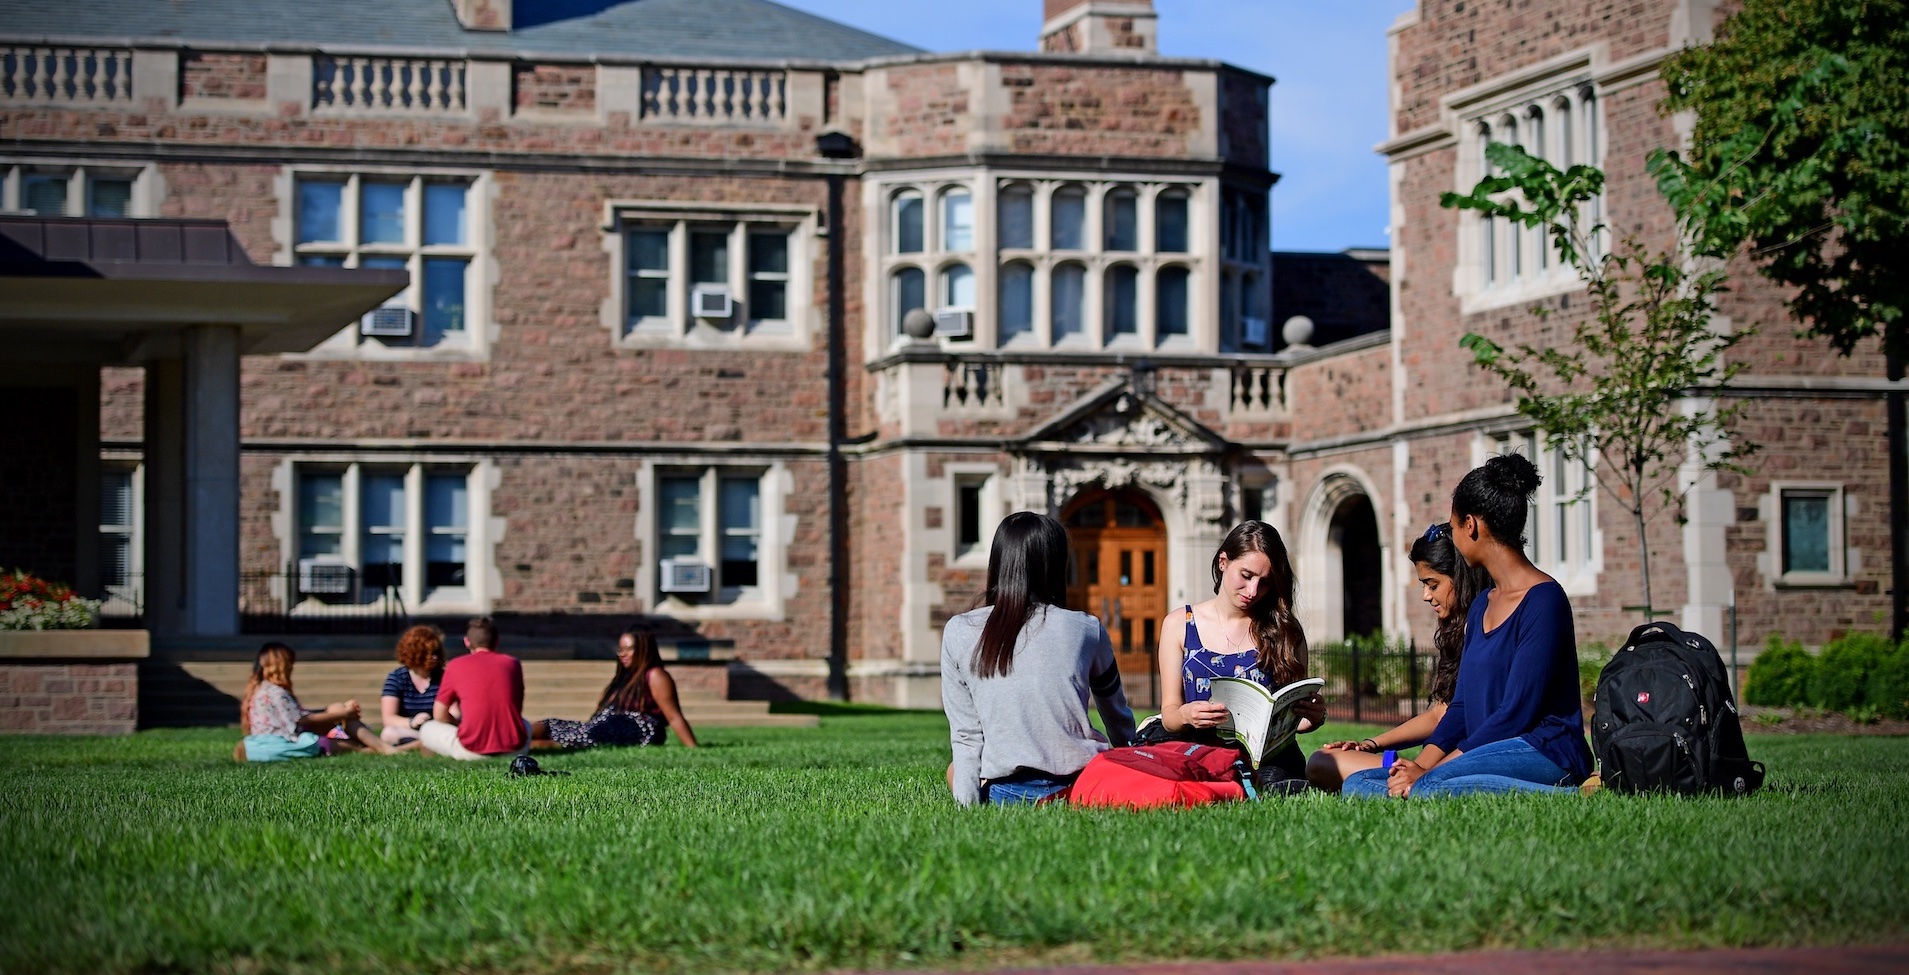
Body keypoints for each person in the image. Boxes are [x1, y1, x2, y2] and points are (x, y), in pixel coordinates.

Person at [1342, 454, 1594, 798]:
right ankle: (1441, 785)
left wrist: (1430, 774)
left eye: (1454, 524)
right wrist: (1421, 766)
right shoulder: (1480, 606)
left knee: (1427, 786)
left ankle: (1572, 793)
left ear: (1471, 525)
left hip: (1543, 749)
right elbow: (1459, 709)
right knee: (1359, 785)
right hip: (1483, 753)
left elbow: (1515, 714)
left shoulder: (1544, 601)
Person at [942, 511, 1137, 805]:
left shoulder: (959, 630)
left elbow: (967, 737)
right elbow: (1117, 718)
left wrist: (968, 810)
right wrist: (1138, 767)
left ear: (999, 562)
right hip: (1083, 788)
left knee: (954, 771)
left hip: (1005, 792)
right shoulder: (1086, 628)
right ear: (1055, 566)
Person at [1306, 522, 1491, 791]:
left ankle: (1400, 780)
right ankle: (1398, 774)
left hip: (1460, 761)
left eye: (1432, 584)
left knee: (1333, 769)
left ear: (1461, 580)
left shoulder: (1486, 626)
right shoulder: (1456, 631)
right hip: (1436, 762)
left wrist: (1424, 769)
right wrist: (1370, 744)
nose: (1426, 596)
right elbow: (1440, 713)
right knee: (1323, 760)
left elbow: (1455, 719)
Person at [1152, 520, 1326, 793]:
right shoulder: (1179, 624)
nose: (1253, 591)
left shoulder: (1284, 630)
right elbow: (1169, 715)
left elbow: (1293, 722)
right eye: (1246, 575)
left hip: (1267, 762)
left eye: (1265, 582)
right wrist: (1186, 714)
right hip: (1200, 751)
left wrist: (1314, 717)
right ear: (1223, 562)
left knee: (1272, 786)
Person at [530, 627, 700, 750]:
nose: (622, 654)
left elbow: (673, 716)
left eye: (629, 649)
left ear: (643, 649)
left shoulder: (655, 675)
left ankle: (517, 747)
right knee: (550, 725)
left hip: (636, 729)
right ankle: (510, 738)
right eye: (620, 649)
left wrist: (692, 748)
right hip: (604, 725)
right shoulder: (624, 678)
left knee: (578, 739)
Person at [235, 643, 396, 761]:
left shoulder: (263, 690)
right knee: (356, 747)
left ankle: (383, 747)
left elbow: (298, 715)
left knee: (336, 709)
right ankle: (384, 748)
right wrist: (343, 713)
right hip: (292, 742)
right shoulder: (275, 692)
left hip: (287, 738)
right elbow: (302, 720)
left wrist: (333, 711)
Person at [418, 616, 528, 761]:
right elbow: (516, 708)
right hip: (515, 748)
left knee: (427, 728)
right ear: (496, 641)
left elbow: (439, 714)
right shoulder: (513, 664)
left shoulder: (456, 665)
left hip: (471, 750)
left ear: (467, 642)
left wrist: (457, 724)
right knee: (525, 723)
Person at [379, 624, 444, 748]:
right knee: (388, 733)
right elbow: (388, 718)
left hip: (438, 729)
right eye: (429, 653)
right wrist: (412, 722)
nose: (434, 657)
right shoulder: (397, 677)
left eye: (436, 652)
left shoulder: (444, 678)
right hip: (410, 730)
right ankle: (425, 744)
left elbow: (455, 714)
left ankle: (422, 745)